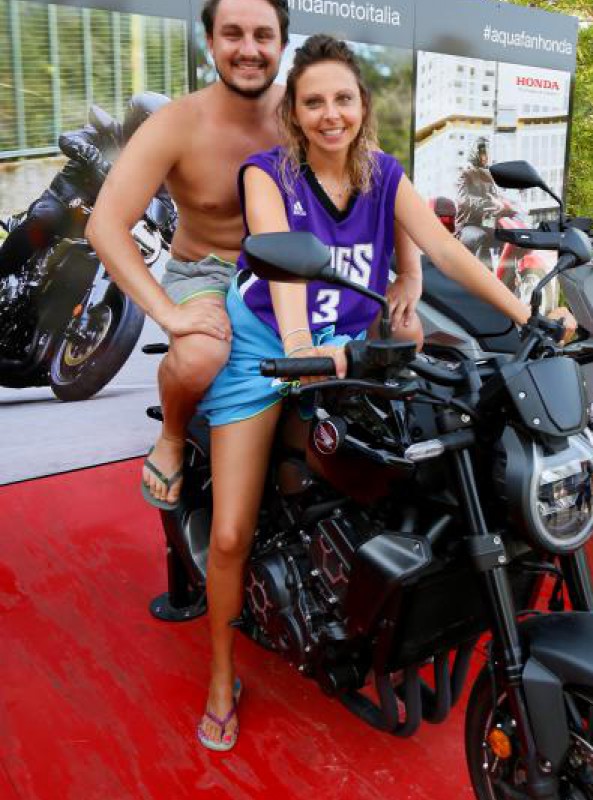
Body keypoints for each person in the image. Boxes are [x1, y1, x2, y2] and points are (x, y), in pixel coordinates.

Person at [195, 33, 538, 752]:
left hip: (350, 348)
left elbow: (444, 249)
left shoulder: (382, 173)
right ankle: (222, 675)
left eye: (343, 100)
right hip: (271, 345)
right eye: (314, 102)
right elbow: (283, 270)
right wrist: (298, 349)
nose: (331, 115)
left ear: (362, 105)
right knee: (229, 532)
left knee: (411, 465)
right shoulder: (269, 175)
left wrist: (527, 317)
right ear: (294, 112)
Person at [88, 0, 422, 512]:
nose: (249, 49)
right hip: (209, 272)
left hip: (298, 272)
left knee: (405, 333)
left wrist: (409, 273)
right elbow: (104, 225)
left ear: (282, 44)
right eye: (233, 34)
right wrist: (169, 313)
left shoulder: (312, 107)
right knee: (200, 354)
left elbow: (378, 176)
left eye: (262, 35)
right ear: (210, 41)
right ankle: (173, 435)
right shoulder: (176, 122)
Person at [0, 93, 169, 280]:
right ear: (139, 122)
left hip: (108, 223)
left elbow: (166, 205)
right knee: (44, 220)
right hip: (66, 202)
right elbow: (68, 139)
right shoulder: (106, 134)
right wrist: (91, 155)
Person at [455, 136, 508, 266]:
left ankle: (505, 273)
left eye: (487, 153)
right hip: (467, 225)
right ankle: (478, 273)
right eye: (483, 153)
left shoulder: (488, 176)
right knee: (481, 236)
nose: (486, 157)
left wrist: (506, 204)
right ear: (475, 154)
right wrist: (487, 203)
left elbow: (496, 197)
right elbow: (464, 200)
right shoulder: (465, 174)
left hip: (484, 224)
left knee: (507, 236)